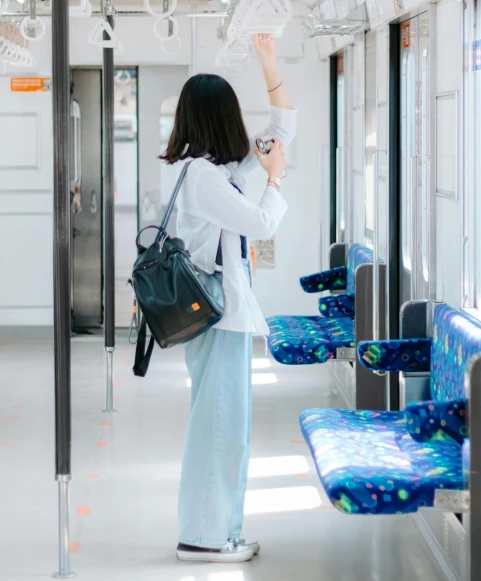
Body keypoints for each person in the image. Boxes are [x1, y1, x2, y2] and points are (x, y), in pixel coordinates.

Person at [160, 33, 296, 563]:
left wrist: (270, 64)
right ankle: (202, 537)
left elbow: (283, 131)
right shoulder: (202, 177)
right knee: (219, 426)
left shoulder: (209, 171)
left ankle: (221, 531)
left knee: (226, 426)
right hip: (218, 320)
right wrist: (276, 181)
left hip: (224, 317)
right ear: (222, 118)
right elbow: (260, 221)